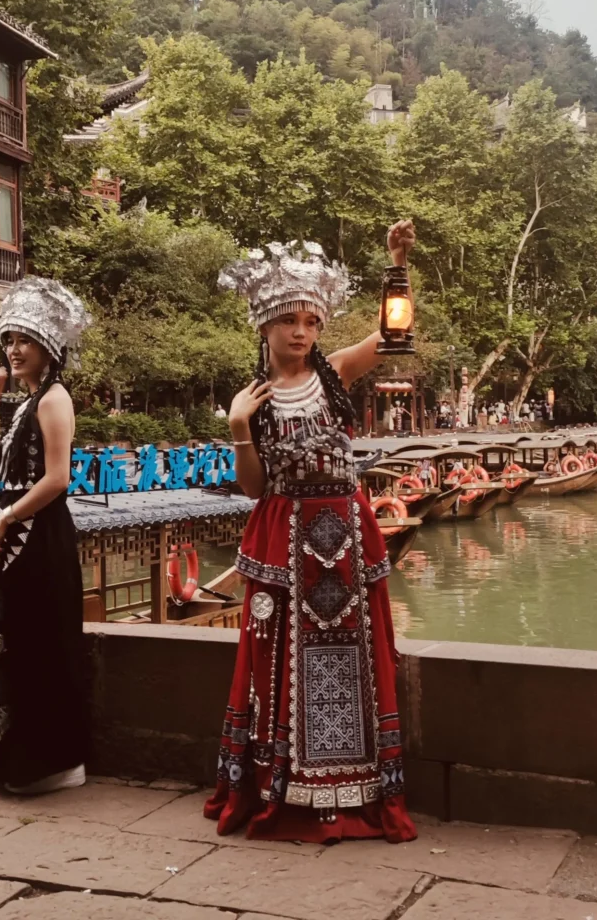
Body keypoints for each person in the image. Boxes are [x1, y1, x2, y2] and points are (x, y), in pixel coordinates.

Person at [205, 226, 418, 845]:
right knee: (279, 661)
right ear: (265, 327)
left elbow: (396, 335)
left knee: (354, 657)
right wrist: (239, 426)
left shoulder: (334, 374)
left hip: (345, 535)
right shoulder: (253, 399)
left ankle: (354, 783)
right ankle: (285, 782)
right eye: (289, 321)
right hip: (285, 537)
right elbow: (252, 488)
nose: (301, 333)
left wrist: (397, 263)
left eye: (311, 322)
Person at [0, 277, 91, 794]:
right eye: (9, 340)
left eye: (24, 340)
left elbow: (57, 478)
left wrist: (7, 519)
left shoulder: (54, 400)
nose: (13, 350)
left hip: (41, 539)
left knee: (39, 647)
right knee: (0, 643)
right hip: (15, 541)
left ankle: (54, 761)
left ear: (48, 346)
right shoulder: (26, 404)